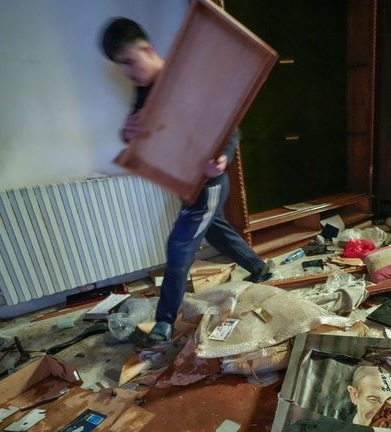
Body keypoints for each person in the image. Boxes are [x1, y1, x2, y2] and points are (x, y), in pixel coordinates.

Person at [100, 17, 271, 344]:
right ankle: (259, 267)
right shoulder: (145, 86)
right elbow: (139, 123)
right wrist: (128, 131)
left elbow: (230, 125)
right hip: (185, 181)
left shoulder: (187, 78)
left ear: (148, 50)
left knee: (179, 246)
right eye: (120, 66)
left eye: (129, 62)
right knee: (217, 231)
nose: (127, 72)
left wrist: (222, 157)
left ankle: (164, 321)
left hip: (206, 185)